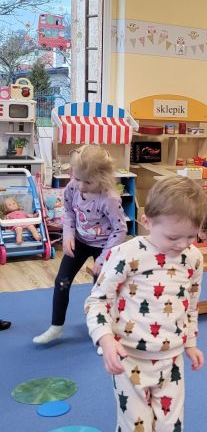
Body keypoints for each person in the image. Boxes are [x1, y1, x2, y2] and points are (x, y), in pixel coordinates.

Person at [85, 176, 207, 431]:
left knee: (171, 426)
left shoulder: (194, 258)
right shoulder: (126, 254)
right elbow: (97, 300)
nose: (182, 244)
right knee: (135, 426)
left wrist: (190, 342)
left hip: (172, 360)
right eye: (173, 237)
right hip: (130, 359)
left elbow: (191, 303)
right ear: (146, 222)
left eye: (191, 236)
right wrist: (105, 340)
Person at [33, 145, 128, 345]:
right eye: (77, 178)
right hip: (79, 241)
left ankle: (105, 335)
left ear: (103, 178)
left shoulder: (109, 199)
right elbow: (68, 211)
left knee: (101, 291)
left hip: (105, 246)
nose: (81, 186)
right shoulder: (73, 187)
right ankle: (56, 327)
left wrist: (103, 259)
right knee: (61, 281)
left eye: (88, 182)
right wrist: (68, 234)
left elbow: (120, 230)